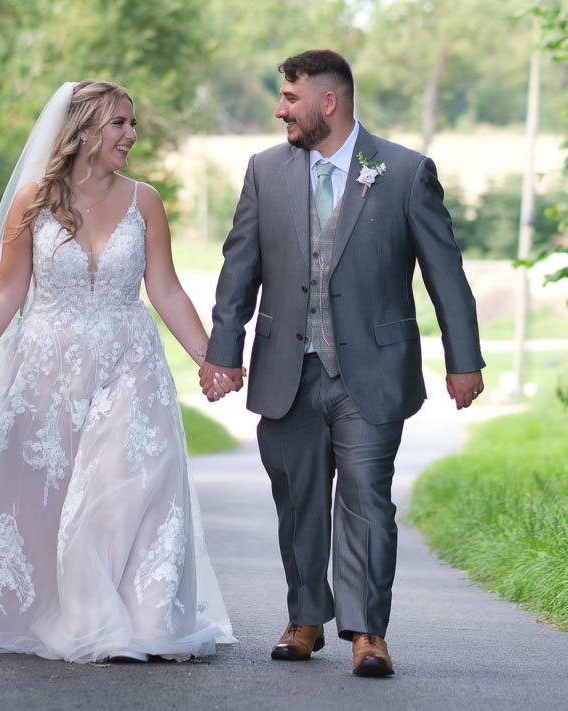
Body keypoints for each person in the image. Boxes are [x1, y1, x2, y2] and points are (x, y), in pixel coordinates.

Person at [0, 80, 236, 663]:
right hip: (47, 367)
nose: (131, 135)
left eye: (132, 124)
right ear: (83, 131)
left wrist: (208, 358)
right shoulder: (33, 200)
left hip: (130, 363)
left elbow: (164, 287)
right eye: (119, 123)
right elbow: (6, 290)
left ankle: (139, 620)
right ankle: (67, 615)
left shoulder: (145, 201)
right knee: (38, 496)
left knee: (125, 483)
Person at [200, 49, 485, 678]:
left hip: (373, 371)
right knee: (298, 500)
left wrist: (463, 359)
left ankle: (367, 631)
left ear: (328, 101)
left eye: (290, 97)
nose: (280, 110)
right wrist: (224, 352)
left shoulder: (404, 171)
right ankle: (305, 619)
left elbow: (445, 273)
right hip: (287, 367)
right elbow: (238, 268)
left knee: (366, 500)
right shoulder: (264, 171)